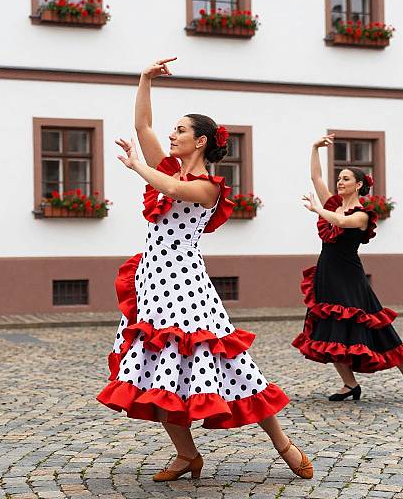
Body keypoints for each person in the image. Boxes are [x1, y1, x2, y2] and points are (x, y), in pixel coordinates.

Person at [97, 58, 313, 481]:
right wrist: (143, 79)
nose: (172, 135)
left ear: (200, 142)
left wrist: (136, 166)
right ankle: (187, 455)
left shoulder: (207, 187)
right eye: (173, 129)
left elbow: (175, 190)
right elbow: (143, 128)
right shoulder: (169, 168)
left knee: (233, 367)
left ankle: (285, 445)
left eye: (180, 130)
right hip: (154, 282)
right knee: (157, 370)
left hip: (186, 284)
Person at [292, 134, 403, 402]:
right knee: (329, 330)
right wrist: (314, 148)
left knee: (378, 326)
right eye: (339, 178)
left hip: (350, 276)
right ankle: (350, 384)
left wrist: (318, 209)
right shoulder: (333, 204)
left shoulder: (362, 214)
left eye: (345, 179)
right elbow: (316, 178)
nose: (340, 182)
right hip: (326, 273)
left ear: (359, 185)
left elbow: (339, 223)